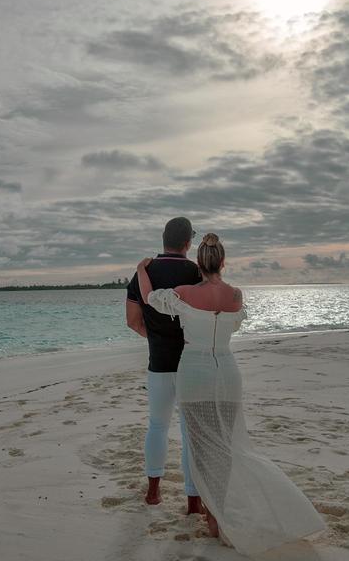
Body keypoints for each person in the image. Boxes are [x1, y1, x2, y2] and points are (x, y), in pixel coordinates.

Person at [136, 233, 326, 556]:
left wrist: (142, 269)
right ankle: (218, 515)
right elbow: (232, 325)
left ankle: (212, 517)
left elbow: (150, 298)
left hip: (194, 373)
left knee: (201, 448)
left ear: (199, 264)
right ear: (223, 263)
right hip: (227, 372)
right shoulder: (236, 296)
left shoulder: (183, 293)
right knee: (225, 450)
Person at [126, 217, 203, 513]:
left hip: (158, 363)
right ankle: (193, 503)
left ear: (163, 239)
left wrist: (156, 338)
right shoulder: (197, 273)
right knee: (189, 432)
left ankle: (153, 493)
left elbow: (132, 321)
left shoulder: (144, 272)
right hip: (191, 363)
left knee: (157, 426)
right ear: (188, 242)